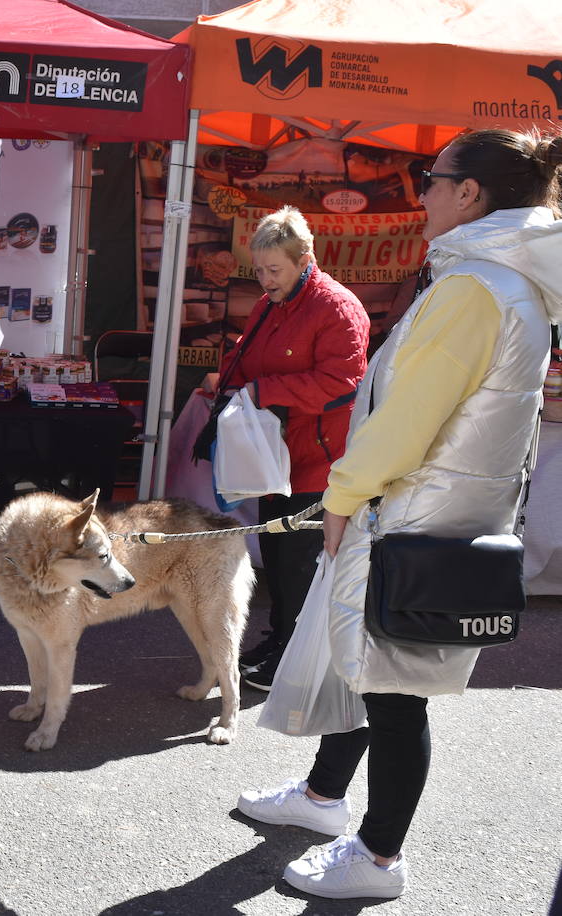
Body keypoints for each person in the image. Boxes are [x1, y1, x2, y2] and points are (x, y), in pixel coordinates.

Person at [237, 128, 562, 900]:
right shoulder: (506, 281)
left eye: (431, 177)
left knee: (392, 688)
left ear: (469, 194)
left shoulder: (477, 286)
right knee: (372, 663)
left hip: (419, 508)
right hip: (441, 504)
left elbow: (406, 420)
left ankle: (378, 857)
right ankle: (323, 799)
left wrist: (343, 496)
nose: (421, 193)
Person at [204, 206, 369, 689]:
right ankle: (281, 640)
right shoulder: (272, 303)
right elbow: (247, 355)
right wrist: (225, 384)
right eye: (257, 269)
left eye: (273, 269)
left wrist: (265, 390)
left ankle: (295, 660)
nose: (264, 279)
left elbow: (343, 385)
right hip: (275, 458)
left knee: (300, 564)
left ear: (305, 259)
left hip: (317, 461)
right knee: (276, 558)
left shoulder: (335, 306)